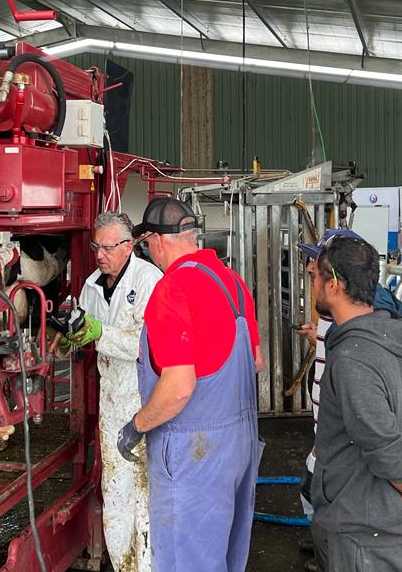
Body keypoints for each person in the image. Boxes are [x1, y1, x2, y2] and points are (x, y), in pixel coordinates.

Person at [116, 197, 263, 572]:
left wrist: (137, 426)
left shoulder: (172, 290)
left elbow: (179, 388)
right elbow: (256, 362)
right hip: (240, 445)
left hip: (194, 450)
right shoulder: (232, 282)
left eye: (147, 245)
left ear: (157, 242)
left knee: (187, 562)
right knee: (227, 558)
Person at [296, 228, 402, 571]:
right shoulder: (389, 332)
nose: (312, 283)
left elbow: (384, 446)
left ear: (334, 286)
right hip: (383, 520)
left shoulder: (353, 358)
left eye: (315, 276)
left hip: (364, 531)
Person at [68, 212, 161, 572]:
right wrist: (69, 336)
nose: (100, 255)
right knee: (116, 491)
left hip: (144, 399)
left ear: (128, 246)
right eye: (96, 247)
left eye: (108, 247)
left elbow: (147, 345)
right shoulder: (92, 285)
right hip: (111, 400)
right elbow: (81, 326)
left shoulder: (149, 279)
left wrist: (97, 333)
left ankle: (149, 567)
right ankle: (124, 565)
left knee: (144, 494)